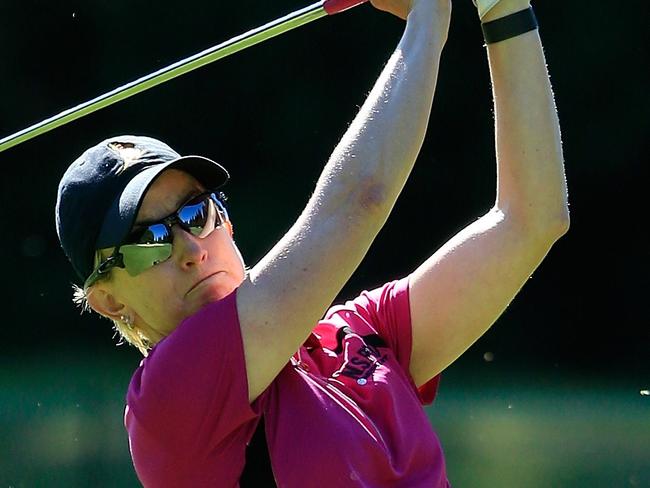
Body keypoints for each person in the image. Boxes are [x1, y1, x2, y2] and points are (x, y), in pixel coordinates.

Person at [55, 0, 569, 485]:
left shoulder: (356, 335)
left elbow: (530, 222)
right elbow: (357, 203)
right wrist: (428, 17)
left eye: (196, 211)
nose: (191, 249)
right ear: (109, 299)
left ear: (226, 221)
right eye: (151, 241)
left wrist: (502, 11)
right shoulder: (167, 401)